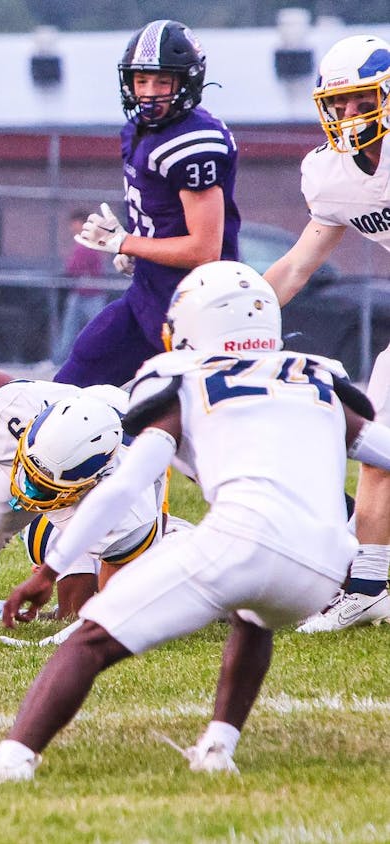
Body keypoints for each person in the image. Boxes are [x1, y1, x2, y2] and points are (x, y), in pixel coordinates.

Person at [0, 261, 385, 783]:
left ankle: (11, 760)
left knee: (90, 639)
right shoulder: (317, 376)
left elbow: (123, 485)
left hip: (240, 543)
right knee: (254, 617)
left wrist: (49, 570)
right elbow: (379, 450)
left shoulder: (183, 378)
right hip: (322, 567)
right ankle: (218, 747)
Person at [265, 36, 390, 633]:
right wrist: (234, 317)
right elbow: (297, 265)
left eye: (362, 100)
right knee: (379, 442)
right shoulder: (330, 175)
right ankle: (368, 585)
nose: (349, 114)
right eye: (339, 103)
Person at [0, 357, 165, 639]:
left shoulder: (127, 506)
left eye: (44, 486)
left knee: (139, 596)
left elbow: (113, 612)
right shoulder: (18, 408)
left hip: (105, 485)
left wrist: (50, 643)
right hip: (58, 449)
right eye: (33, 474)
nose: (30, 489)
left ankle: (178, 541)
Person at [55, 19, 240, 388]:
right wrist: (140, 252)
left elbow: (205, 250)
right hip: (148, 296)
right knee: (69, 386)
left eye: (162, 82)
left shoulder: (194, 142)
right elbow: (164, 216)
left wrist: (125, 242)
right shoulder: (137, 130)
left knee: (180, 410)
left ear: (186, 82)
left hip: (196, 310)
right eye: (141, 81)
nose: (149, 93)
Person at [52, 210, 114, 364]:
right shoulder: (81, 243)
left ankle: (106, 360)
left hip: (94, 294)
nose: (72, 227)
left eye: (75, 223)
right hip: (78, 293)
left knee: (100, 329)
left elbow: (74, 267)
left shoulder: (89, 243)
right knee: (69, 330)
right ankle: (59, 362)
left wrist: (70, 271)